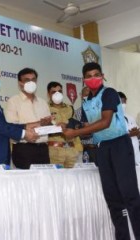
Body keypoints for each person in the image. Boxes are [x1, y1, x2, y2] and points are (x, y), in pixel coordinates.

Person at [63, 62, 140, 240]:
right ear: (84, 80)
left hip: (120, 145)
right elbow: (87, 125)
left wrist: (74, 132)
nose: (93, 78)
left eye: (96, 74)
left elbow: (105, 122)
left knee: (130, 196)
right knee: (113, 199)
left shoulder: (109, 93)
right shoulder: (87, 102)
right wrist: (68, 126)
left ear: (102, 76)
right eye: (89, 76)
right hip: (103, 149)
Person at [5, 68, 52, 169]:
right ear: (20, 83)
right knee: (27, 183)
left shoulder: (43, 102)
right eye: (27, 80)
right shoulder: (13, 101)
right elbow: (10, 127)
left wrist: (51, 124)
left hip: (43, 148)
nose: (31, 82)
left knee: (44, 183)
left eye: (33, 79)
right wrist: (39, 123)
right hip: (24, 149)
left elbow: (49, 126)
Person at [47, 81, 82, 168]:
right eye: (54, 92)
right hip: (54, 151)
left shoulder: (70, 108)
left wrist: (78, 148)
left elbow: (75, 127)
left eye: (60, 91)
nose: (57, 94)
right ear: (48, 94)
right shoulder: (44, 108)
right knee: (56, 179)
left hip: (71, 150)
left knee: (72, 180)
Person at [74, 86, 97, 163]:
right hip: (85, 149)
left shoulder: (100, 112)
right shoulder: (77, 113)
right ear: (81, 96)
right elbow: (75, 133)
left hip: (99, 149)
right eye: (86, 95)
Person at [118, 91, 140, 165]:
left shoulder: (130, 117)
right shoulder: (112, 118)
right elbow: (116, 135)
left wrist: (137, 133)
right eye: (121, 102)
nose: (123, 105)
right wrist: (131, 134)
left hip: (135, 150)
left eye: (124, 102)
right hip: (122, 151)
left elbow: (137, 133)